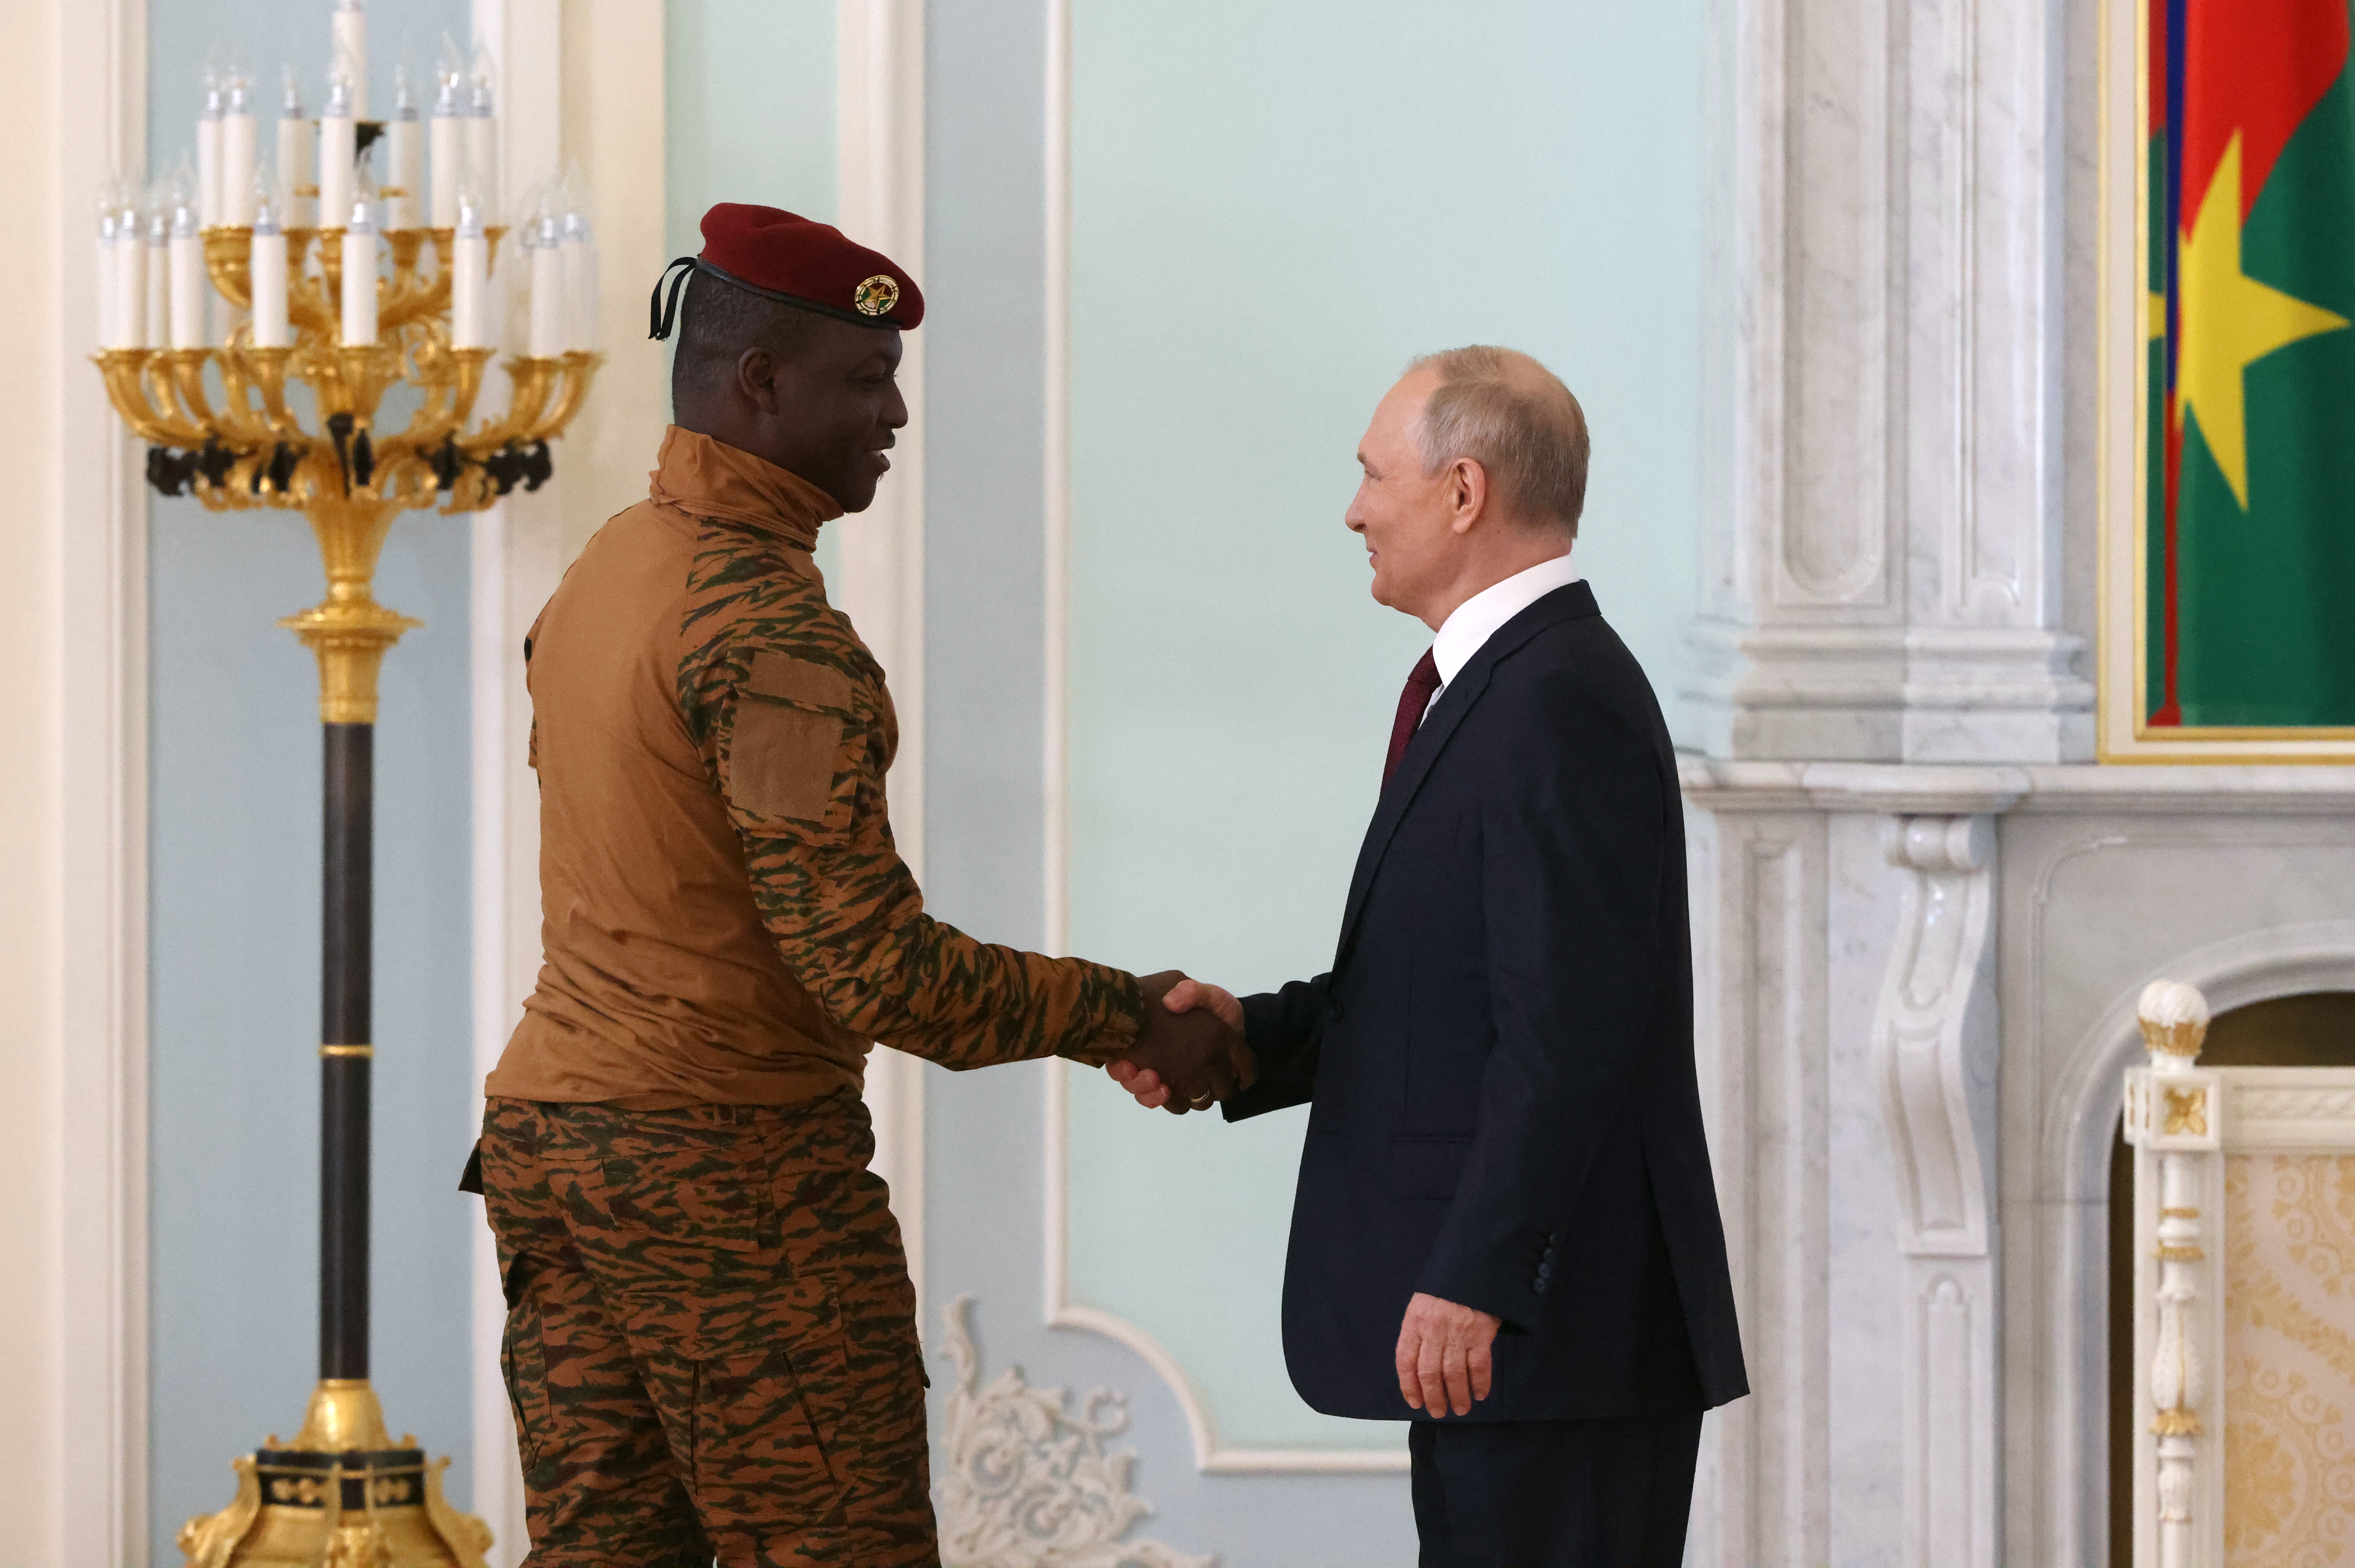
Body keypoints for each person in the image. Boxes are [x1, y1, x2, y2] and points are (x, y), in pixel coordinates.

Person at [466, 203, 1251, 1567]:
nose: (893, 412)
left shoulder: (605, 570)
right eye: (864, 378)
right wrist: (1127, 1011)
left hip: (554, 1144)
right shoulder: (764, 627)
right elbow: (875, 970)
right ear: (757, 382)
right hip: (724, 1167)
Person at [1110, 348, 1747, 1567]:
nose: (1353, 509)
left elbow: (1569, 1034)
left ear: (1462, 492)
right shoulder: (1499, 686)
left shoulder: (1556, 698)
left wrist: (1478, 1277)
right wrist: (1241, 1036)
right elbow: (1442, 995)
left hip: (1545, 1330)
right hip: (1512, 1343)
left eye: (1369, 475)